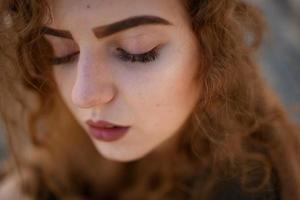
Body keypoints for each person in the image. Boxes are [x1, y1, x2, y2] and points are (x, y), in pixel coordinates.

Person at [0, 0, 299, 199]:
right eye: (63, 52)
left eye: (137, 51)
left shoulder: (256, 185)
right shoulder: (67, 142)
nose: (83, 95)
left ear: (213, 50)